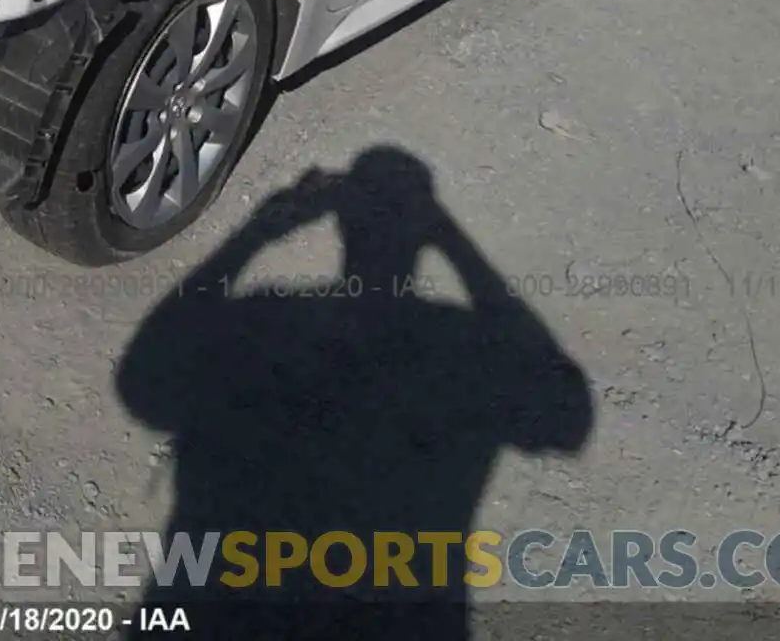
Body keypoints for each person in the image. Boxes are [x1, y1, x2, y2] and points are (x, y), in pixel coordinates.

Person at [117, 147, 594, 637]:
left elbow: (142, 381)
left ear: (341, 227)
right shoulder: (457, 342)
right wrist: (450, 237)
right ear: (422, 235)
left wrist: (255, 234)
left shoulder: (272, 322)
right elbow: (564, 410)